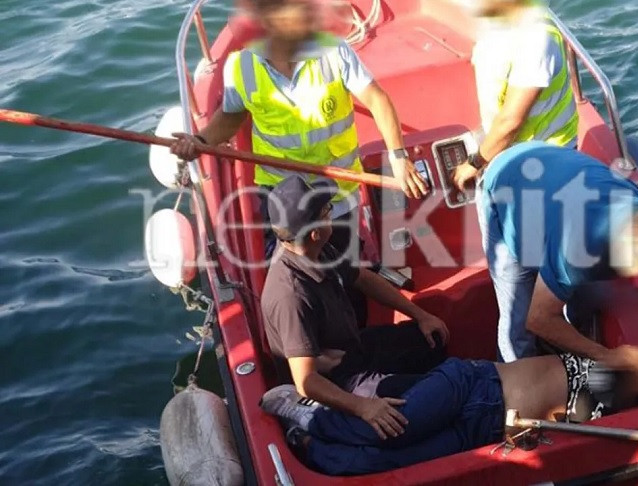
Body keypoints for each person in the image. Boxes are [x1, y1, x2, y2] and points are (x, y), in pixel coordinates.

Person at [171, 0, 429, 257]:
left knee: (342, 261)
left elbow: (376, 99)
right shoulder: (240, 67)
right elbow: (230, 116)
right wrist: (200, 141)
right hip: (279, 192)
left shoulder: (333, 51)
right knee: (290, 266)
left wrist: (398, 157)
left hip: (336, 191)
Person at [261, 349, 638, 475]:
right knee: (389, 431)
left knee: (384, 464)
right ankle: (307, 411)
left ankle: (308, 444)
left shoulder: (619, 418)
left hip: (484, 432)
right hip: (473, 385)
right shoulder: (617, 366)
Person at [477, 142, 638, 370]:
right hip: (505, 183)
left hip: (556, 170)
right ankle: (514, 380)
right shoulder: (578, 249)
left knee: (578, 293)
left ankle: (570, 346)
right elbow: (537, 318)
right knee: (517, 315)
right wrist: (606, 356)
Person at [261, 174, 450, 436]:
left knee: (432, 341)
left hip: (354, 350)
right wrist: (363, 407)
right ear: (315, 233)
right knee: (433, 400)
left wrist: (421, 315)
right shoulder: (290, 295)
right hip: (341, 382)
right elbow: (306, 381)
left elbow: (363, 278)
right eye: (327, 210)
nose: (331, 214)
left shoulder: (318, 250)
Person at [452, 0, 579, 191]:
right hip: (509, 145)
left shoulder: (537, 41)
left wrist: (475, 163)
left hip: (544, 157)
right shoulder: (498, 21)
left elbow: (511, 121)